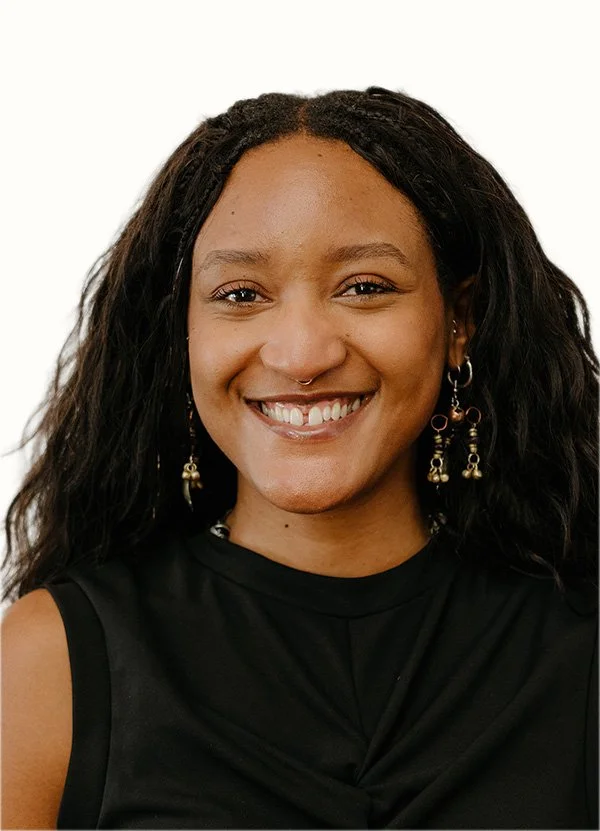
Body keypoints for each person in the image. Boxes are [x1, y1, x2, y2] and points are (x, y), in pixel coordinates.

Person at [1, 87, 597, 830]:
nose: (301, 354)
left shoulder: (581, 653)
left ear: (459, 321)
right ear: (180, 333)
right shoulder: (48, 666)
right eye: (242, 292)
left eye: (366, 287)